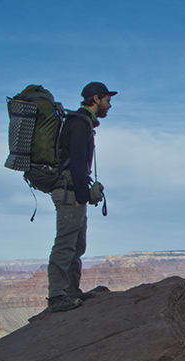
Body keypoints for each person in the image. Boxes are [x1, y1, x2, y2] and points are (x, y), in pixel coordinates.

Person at [46, 82, 117, 312]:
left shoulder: (81, 122)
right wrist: (82, 195)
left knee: (77, 244)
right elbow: (77, 162)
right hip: (69, 192)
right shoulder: (79, 124)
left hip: (72, 190)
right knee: (66, 244)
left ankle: (71, 291)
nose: (110, 104)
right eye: (107, 99)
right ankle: (57, 296)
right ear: (95, 98)